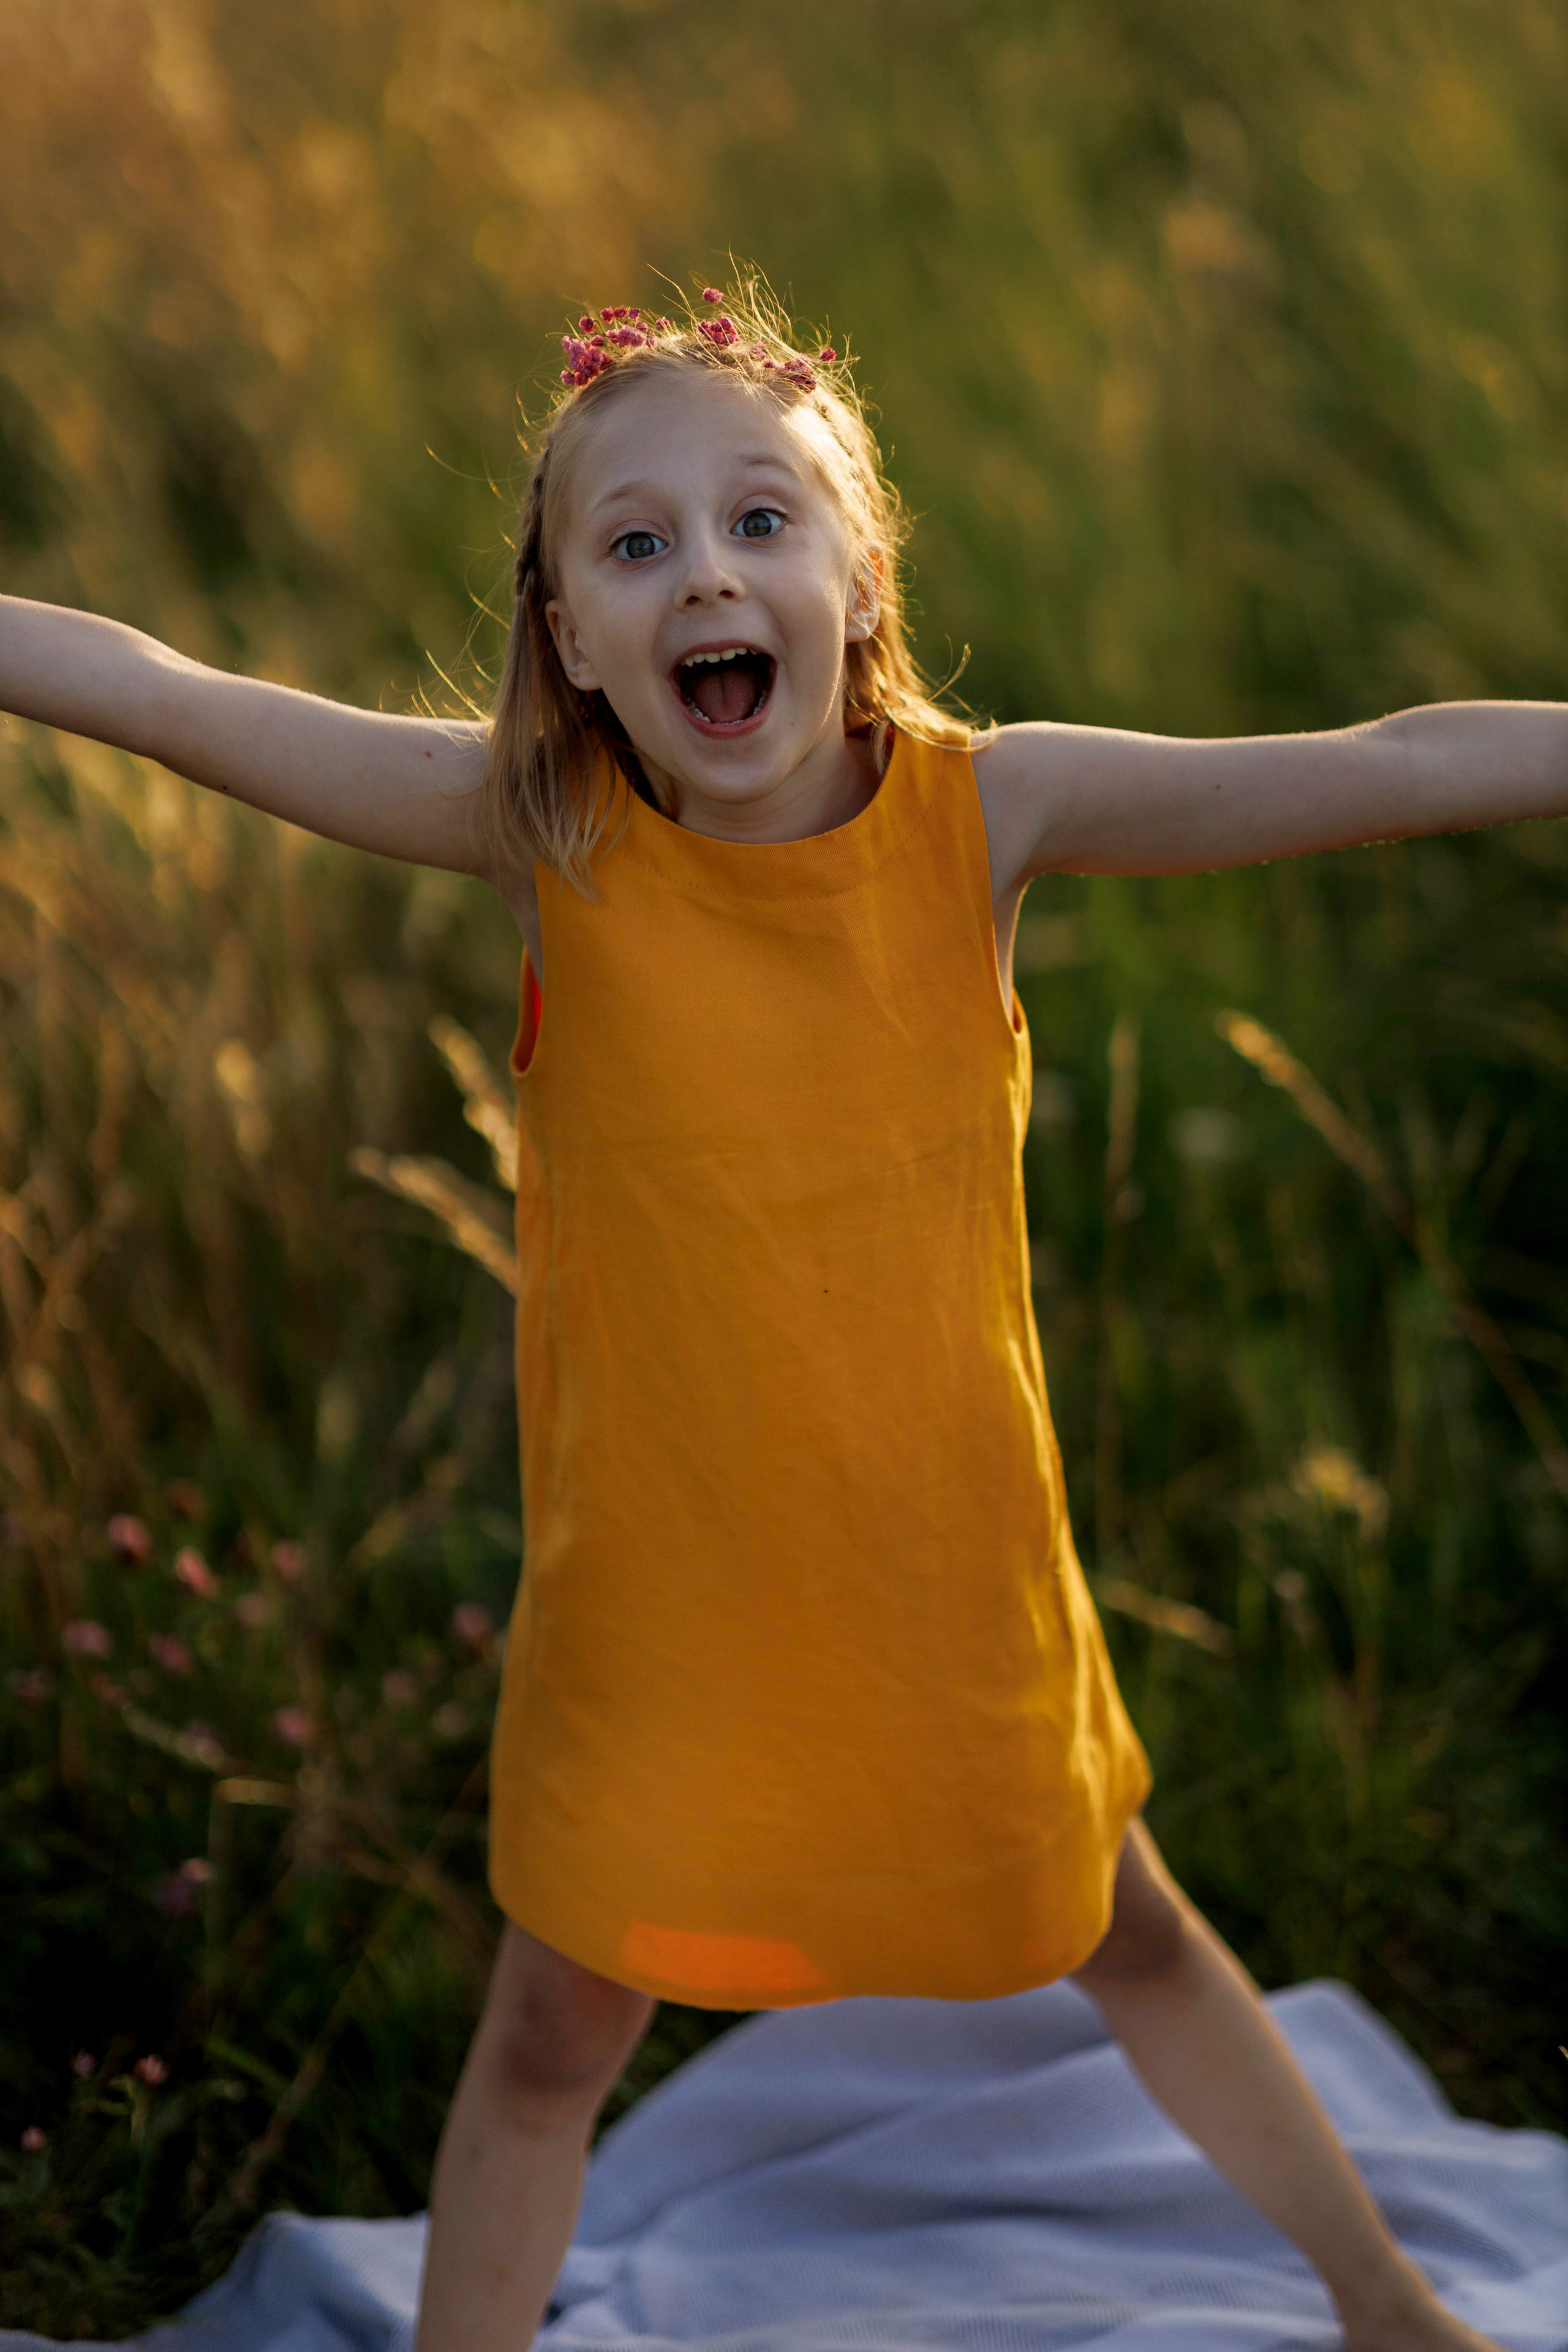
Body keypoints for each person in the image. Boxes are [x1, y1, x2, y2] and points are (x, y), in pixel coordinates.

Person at [1, 276, 1554, 2352]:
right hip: (661, 1610)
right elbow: (171, 688)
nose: (705, 572)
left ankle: (1387, 2306)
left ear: (853, 572)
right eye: (633, 546)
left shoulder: (987, 820)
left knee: (1135, 1941)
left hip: (947, 1581)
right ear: (569, 638)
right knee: (553, 2032)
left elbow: (1381, 758)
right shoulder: (543, 840)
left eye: (760, 522)